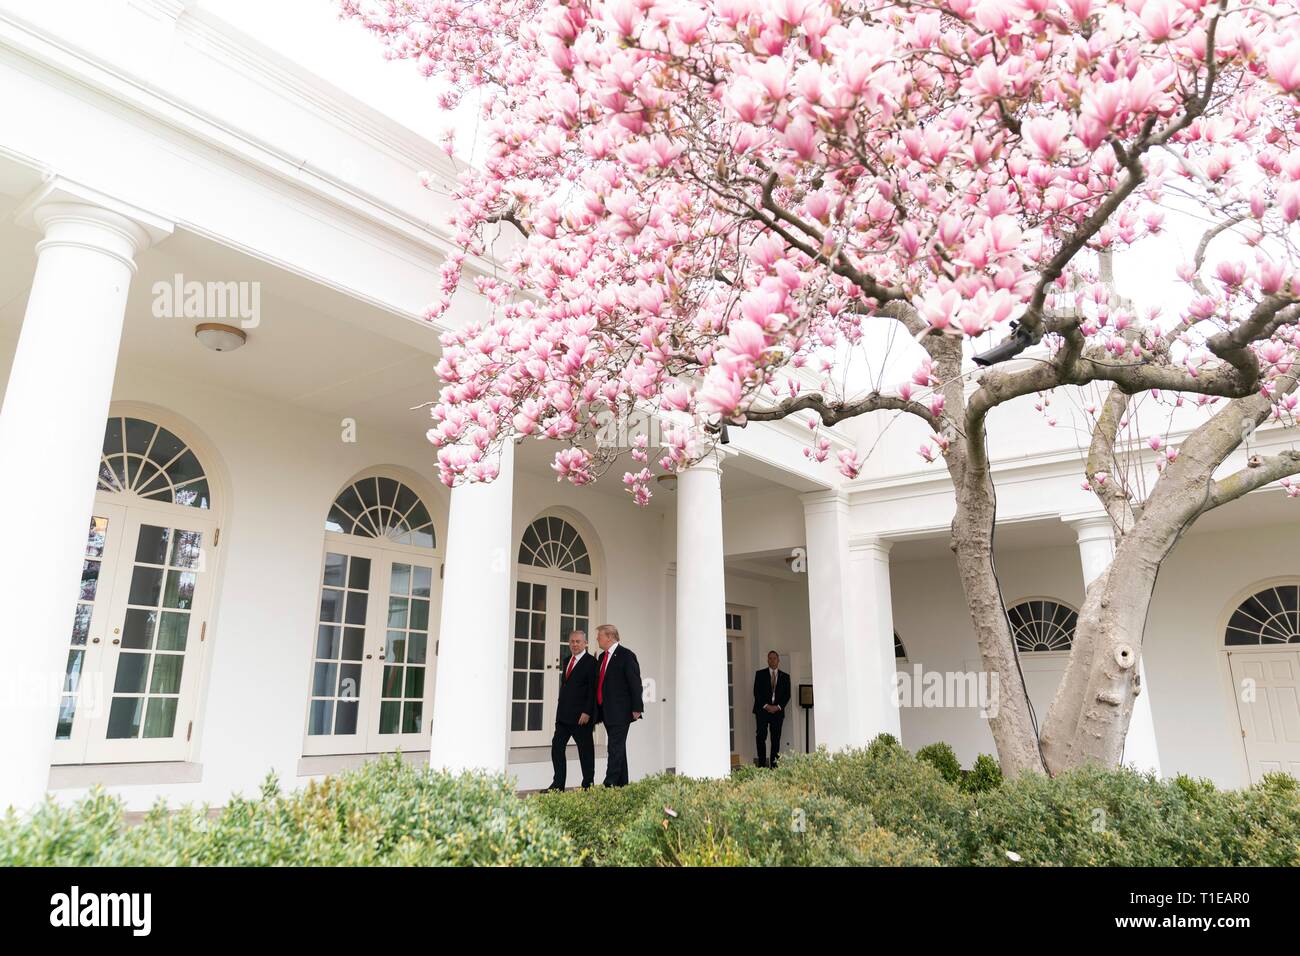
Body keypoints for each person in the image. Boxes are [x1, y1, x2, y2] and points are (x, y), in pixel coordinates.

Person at [544, 630, 597, 791]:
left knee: (585, 752)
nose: (574, 644)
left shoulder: (592, 663)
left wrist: (587, 712)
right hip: (563, 716)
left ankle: (588, 785)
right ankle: (558, 785)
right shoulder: (567, 660)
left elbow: (593, 690)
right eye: (572, 641)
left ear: (585, 643)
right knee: (557, 748)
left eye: (578, 641)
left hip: (581, 716)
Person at [593, 623, 642, 787]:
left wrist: (637, 707)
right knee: (618, 747)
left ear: (609, 637)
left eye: (599, 636)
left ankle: (610, 783)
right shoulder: (601, 657)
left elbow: (635, 683)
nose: (597, 639)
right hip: (606, 711)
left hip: (620, 711)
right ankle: (622, 784)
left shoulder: (626, 655)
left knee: (614, 747)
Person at [752, 650, 790, 768]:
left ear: (778, 660)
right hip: (762, 711)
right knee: (761, 736)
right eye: (770, 658)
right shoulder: (760, 674)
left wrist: (777, 707)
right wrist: (767, 706)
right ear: (767, 660)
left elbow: (787, 695)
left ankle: (774, 766)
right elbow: (756, 693)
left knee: (775, 739)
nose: (772, 660)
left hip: (777, 713)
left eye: (774, 658)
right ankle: (762, 765)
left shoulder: (785, 676)